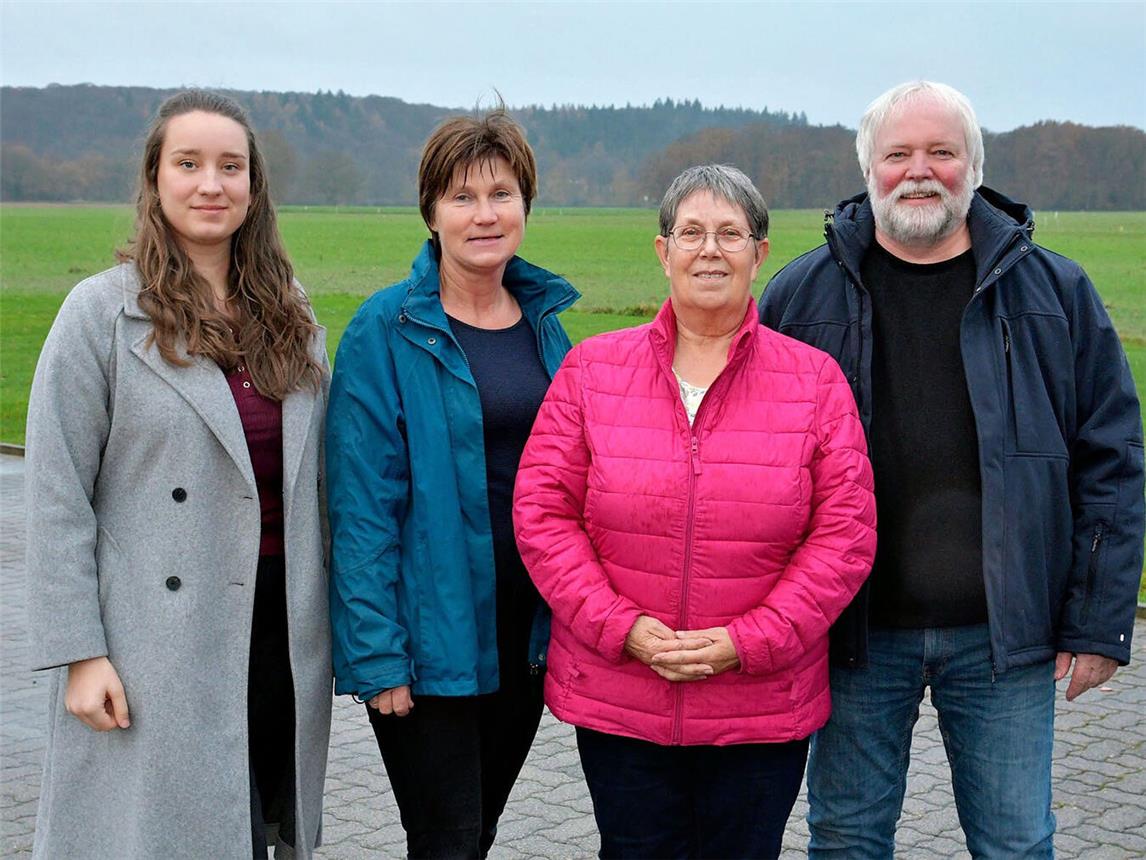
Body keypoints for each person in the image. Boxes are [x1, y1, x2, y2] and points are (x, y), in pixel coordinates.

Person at [759, 80, 1145, 858]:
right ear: (868, 168)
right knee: (845, 839)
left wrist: (1099, 620)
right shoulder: (799, 295)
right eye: (898, 153)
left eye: (942, 151)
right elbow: (751, 465)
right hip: (852, 633)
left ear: (974, 164)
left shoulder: (1056, 292)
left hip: (1004, 637)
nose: (920, 170)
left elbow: (1112, 458)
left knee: (1014, 841)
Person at [513, 164, 877, 859]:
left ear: (759, 253)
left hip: (760, 705)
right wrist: (627, 630)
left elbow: (844, 536)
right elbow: (543, 515)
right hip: (624, 699)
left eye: (730, 233)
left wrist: (749, 641)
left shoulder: (813, 382)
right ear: (663, 250)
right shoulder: (593, 371)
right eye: (691, 232)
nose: (710, 249)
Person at [25, 90, 332, 860]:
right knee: (159, 834)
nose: (211, 185)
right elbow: (57, 495)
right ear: (155, 179)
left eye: (231, 167)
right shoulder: (99, 315)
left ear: (254, 187)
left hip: (276, 628)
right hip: (151, 639)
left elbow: (320, 485)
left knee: (261, 823)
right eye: (188, 164)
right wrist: (79, 653)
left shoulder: (290, 314)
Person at [326, 107, 578, 859]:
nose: (484, 214)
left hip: (522, 634)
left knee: (479, 832)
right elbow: (360, 506)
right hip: (427, 642)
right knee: (447, 839)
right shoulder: (385, 329)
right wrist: (376, 657)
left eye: (501, 194)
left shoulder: (546, 327)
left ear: (526, 206)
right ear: (431, 212)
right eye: (462, 197)